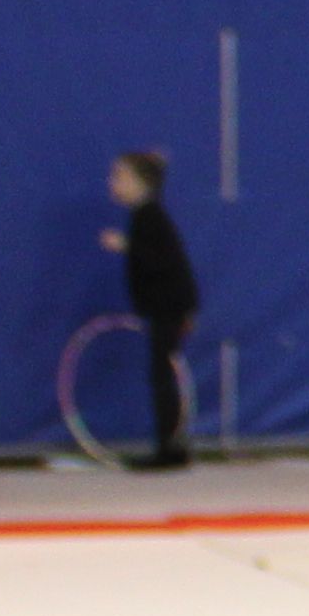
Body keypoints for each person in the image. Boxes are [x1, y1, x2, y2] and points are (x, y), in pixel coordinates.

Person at [100, 151, 201, 469]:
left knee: (162, 379)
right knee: (162, 376)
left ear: (140, 183)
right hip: (168, 307)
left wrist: (126, 246)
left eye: (119, 177)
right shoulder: (145, 215)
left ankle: (168, 450)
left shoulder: (150, 216)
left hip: (168, 307)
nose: (112, 183)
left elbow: (164, 261)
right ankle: (172, 446)